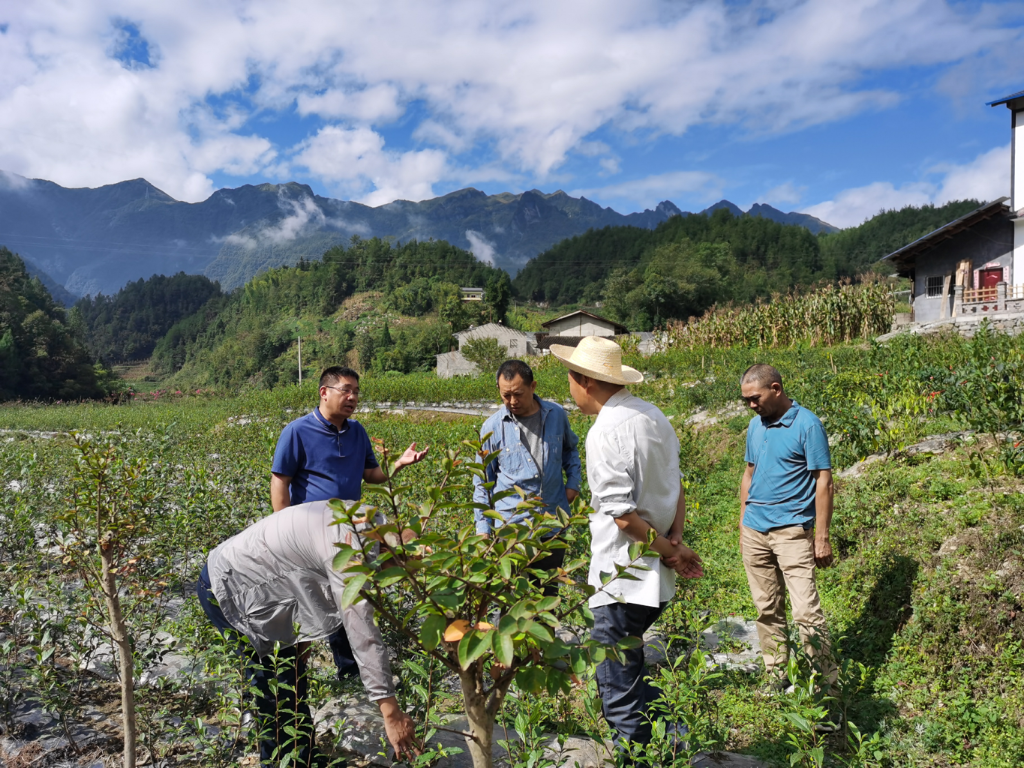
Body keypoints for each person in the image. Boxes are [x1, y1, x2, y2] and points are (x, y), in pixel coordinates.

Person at [551, 336, 703, 752]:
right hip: (654, 580)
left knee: (615, 684)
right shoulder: (653, 416)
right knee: (629, 667)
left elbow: (622, 516)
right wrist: (675, 539)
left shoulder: (605, 432)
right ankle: (674, 746)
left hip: (623, 578)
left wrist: (672, 550)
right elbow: (676, 485)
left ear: (584, 380)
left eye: (569, 378)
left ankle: (638, 757)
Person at [196, 500, 419, 767]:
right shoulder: (348, 549)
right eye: (393, 573)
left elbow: (304, 572)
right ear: (385, 552)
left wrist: (304, 635)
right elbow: (363, 632)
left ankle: (305, 758)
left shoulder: (365, 521)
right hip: (230, 586)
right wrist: (391, 713)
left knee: (292, 679)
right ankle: (278, 762)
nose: (386, 582)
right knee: (272, 690)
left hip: (268, 587)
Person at [271, 366, 428, 678]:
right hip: (308, 535)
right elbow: (280, 481)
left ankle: (349, 670)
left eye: (356, 391)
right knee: (309, 602)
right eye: (346, 390)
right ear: (324, 392)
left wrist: (397, 464)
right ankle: (294, 672)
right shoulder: (298, 431)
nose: (353, 397)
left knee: (348, 595)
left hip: (348, 532)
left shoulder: (356, 432)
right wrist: (282, 528)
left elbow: (372, 476)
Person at [738, 364, 837, 697]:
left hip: (792, 531)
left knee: (806, 611)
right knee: (766, 608)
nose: (751, 405)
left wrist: (820, 537)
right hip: (754, 531)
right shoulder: (755, 426)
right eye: (746, 400)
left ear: (776, 389)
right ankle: (776, 675)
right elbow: (749, 474)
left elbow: (823, 481)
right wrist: (743, 521)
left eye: (755, 398)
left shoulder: (807, 425)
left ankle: (824, 687)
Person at [472, 359, 582, 577]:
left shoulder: (556, 415)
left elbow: (570, 450)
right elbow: (483, 482)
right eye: (506, 395)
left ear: (533, 387)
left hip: (552, 523)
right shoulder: (492, 428)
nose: (512, 401)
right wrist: (483, 528)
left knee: (547, 590)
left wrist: (573, 483)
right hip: (511, 529)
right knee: (512, 597)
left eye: (518, 394)